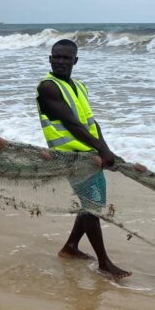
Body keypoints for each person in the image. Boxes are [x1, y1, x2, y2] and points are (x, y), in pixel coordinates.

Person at [35, 39, 131, 280]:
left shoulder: (79, 86)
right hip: (69, 157)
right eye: (56, 56)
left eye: (66, 58)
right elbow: (72, 124)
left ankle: (70, 247)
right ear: (49, 59)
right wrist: (101, 150)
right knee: (92, 206)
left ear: (75, 61)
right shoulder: (48, 87)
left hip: (88, 156)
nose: (60, 61)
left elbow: (90, 122)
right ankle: (104, 263)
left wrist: (106, 150)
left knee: (91, 205)